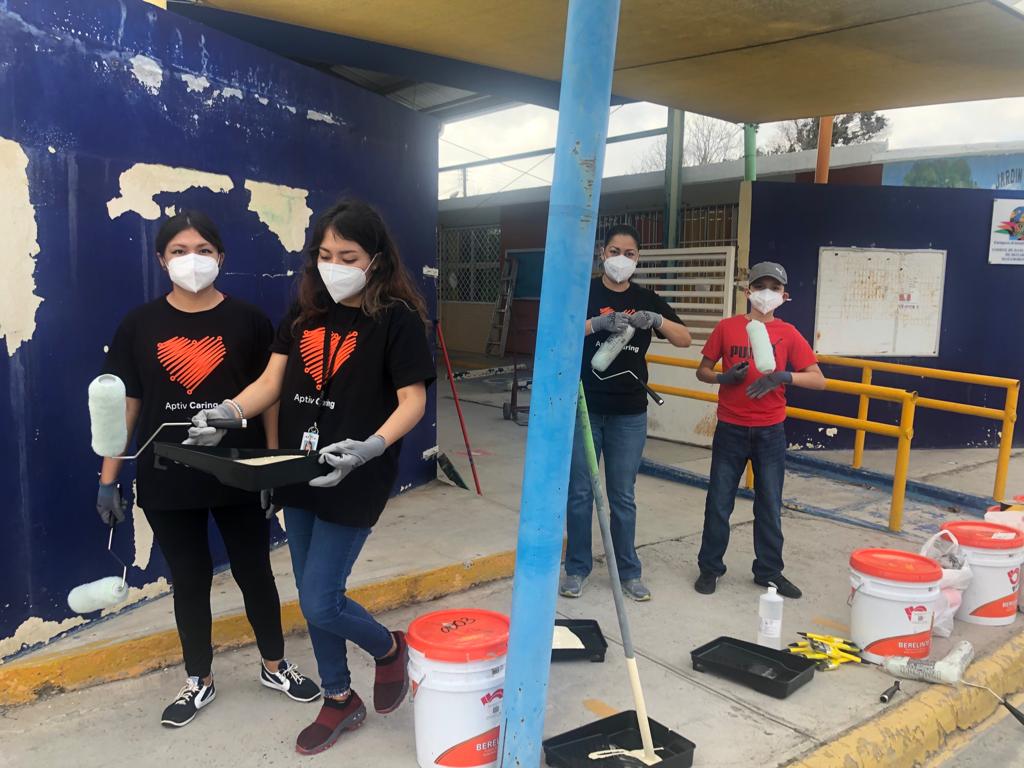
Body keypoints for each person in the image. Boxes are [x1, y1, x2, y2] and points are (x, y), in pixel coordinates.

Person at [185, 199, 435, 755]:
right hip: (300, 471)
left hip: (356, 475)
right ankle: (338, 697)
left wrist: (372, 446)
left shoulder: (397, 319)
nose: (333, 264)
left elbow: (412, 401)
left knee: (321, 600)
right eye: (324, 254)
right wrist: (227, 414)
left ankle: (389, 649)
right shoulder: (302, 316)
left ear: (375, 260)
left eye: (347, 255)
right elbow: (271, 384)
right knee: (312, 593)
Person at [98, 211, 320, 728]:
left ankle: (274, 664)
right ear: (161, 259)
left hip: (238, 472)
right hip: (166, 475)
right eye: (178, 250)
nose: (190, 259)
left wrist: (272, 467)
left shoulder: (248, 321)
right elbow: (125, 405)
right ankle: (198, 677)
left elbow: (268, 398)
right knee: (190, 580)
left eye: (202, 248)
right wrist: (108, 478)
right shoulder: (139, 324)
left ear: (220, 256)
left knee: (254, 573)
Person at [559, 224, 692, 602]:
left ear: (638, 259)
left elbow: (685, 339)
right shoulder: (584, 294)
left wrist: (657, 321)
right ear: (602, 253)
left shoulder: (646, 297)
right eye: (615, 251)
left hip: (629, 412)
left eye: (629, 254)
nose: (621, 259)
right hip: (585, 407)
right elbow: (556, 333)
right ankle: (577, 568)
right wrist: (596, 324)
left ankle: (628, 570)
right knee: (581, 492)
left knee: (622, 495)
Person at [693, 261, 826, 599]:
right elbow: (703, 370)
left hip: (770, 430)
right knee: (719, 502)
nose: (767, 293)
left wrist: (784, 376)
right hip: (731, 428)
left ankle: (769, 572)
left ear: (784, 295)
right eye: (760, 286)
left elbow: (818, 378)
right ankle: (710, 568)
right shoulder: (727, 328)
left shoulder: (788, 333)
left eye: (774, 287)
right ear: (748, 291)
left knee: (769, 503)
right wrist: (725, 377)